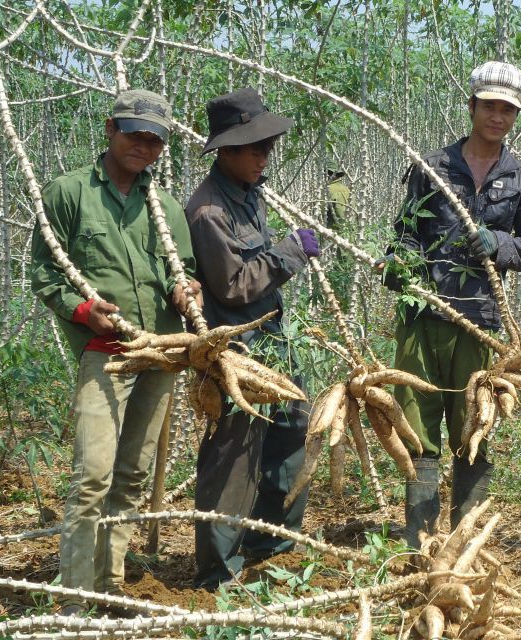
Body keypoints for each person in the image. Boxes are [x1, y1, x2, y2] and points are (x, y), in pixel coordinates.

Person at [30, 89, 199, 615]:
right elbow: (43, 272)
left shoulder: (166, 207)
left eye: (154, 140)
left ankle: (111, 584)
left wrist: (185, 290)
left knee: (131, 474)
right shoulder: (69, 193)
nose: (143, 147)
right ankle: (76, 594)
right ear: (110, 129)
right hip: (105, 353)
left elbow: (183, 270)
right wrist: (81, 312)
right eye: (135, 135)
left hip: (160, 355)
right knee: (93, 473)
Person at [383, 61, 521, 548]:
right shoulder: (430, 167)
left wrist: (497, 243)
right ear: (472, 106)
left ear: (515, 116)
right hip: (422, 315)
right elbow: (406, 234)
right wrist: (399, 265)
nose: (497, 117)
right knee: (416, 428)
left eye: (507, 110)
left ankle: (466, 540)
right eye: (489, 106)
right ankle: (419, 539)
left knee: (473, 430)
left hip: (480, 322)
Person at [185, 87, 319, 590]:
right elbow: (234, 286)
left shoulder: (249, 193)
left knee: (290, 432)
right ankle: (218, 571)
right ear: (226, 150)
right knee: (234, 454)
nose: (265, 157)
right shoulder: (208, 212)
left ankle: (273, 543)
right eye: (255, 148)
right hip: (237, 355)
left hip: (276, 339)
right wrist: (290, 253)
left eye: (268, 147)